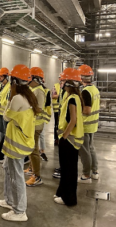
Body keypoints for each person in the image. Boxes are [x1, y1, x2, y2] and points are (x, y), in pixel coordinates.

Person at [0, 64, 39, 222]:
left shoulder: (17, 98)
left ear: (14, 81)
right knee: (7, 168)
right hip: (19, 141)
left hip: (17, 144)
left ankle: (20, 211)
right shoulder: (29, 96)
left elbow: (6, 117)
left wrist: (10, 96)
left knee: (16, 176)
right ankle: (9, 201)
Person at [54, 68, 84, 206]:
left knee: (68, 170)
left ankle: (69, 198)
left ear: (69, 83)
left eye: (63, 81)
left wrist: (63, 137)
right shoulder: (74, 97)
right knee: (68, 169)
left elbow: (73, 120)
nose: (61, 83)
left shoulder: (72, 99)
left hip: (69, 140)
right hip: (72, 140)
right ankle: (62, 192)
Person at [77, 64, 100, 183]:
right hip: (93, 125)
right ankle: (95, 172)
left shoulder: (85, 91)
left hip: (85, 125)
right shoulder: (95, 89)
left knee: (85, 151)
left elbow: (87, 110)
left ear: (81, 78)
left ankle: (86, 175)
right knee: (91, 149)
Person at [24, 67, 46, 187]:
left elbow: (39, 109)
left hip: (36, 125)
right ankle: (31, 168)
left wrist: (26, 110)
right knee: (31, 149)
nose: (27, 80)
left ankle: (37, 177)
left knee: (34, 150)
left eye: (29, 78)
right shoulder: (34, 89)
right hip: (32, 124)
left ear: (35, 79)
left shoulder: (39, 91)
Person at [52, 72, 69, 179]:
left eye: (63, 80)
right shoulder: (58, 87)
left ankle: (65, 170)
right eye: (60, 79)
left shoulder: (70, 94)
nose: (61, 81)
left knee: (67, 149)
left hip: (66, 124)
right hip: (59, 113)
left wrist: (65, 134)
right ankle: (62, 167)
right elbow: (53, 95)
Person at [0, 67, 11, 163]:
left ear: (6, 77)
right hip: (0, 112)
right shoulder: (0, 86)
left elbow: (8, 100)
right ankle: (0, 147)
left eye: (1, 76)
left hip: (5, 113)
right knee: (1, 131)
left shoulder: (9, 87)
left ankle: (4, 150)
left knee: (6, 132)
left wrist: (2, 104)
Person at [39, 78, 51, 161]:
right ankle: (42, 151)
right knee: (41, 135)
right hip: (41, 115)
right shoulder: (46, 90)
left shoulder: (42, 91)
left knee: (39, 135)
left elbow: (47, 103)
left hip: (39, 115)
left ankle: (41, 151)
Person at [52, 79, 61, 146]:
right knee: (57, 124)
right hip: (56, 109)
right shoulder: (55, 86)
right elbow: (53, 96)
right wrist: (62, 95)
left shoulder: (65, 86)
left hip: (63, 109)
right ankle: (56, 139)